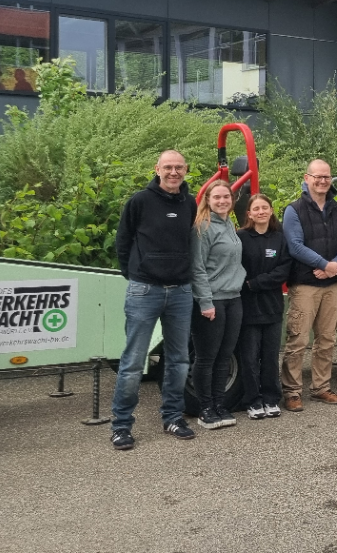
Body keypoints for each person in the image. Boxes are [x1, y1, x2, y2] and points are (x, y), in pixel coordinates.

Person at [110, 150, 198, 450]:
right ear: (157, 169)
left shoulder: (190, 202)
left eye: (179, 168)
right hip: (145, 291)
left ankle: (173, 417)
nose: (174, 172)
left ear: (186, 170)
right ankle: (121, 425)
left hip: (181, 292)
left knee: (179, 360)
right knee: (133, 361)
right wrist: (136, 274)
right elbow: (122, 242)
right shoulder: (139, 202)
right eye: (168, 167)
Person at [280, 159, 337, 410]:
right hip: (304, 285)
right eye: (317, 177)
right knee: (298, 339)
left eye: (327, 177)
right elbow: (295, 245)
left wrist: (335, 265)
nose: (323, 181)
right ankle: (291, 392)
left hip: (331, 285)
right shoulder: (294, 209)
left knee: (327, 339)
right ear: (307, 177)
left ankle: (321, 387)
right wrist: (325, 264)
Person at [189, 179, 247, 430]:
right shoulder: (203, 227)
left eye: (227, 197)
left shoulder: (229, 225)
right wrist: (205, 301)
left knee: (224, 356)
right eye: (217, 197)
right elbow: (197, 268)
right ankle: (205, 408)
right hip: (212, 301)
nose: (222, 201)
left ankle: (219, 404)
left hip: (233, 299)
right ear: (208, 200)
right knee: (206, 358)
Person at [237, 194, 292, 420]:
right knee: (249, 357)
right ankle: (253, 400)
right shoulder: (240, 237)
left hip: (272, 306)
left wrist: (255, 283)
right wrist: (246, 285)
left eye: (265, 208)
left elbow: (283, 269)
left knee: (270, 356)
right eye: (256, 208)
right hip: (248, 306)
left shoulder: (279, 238)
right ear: (249, 214)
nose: (261, 212)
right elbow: (235, 267)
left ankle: (271, 398)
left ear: (271, 211)